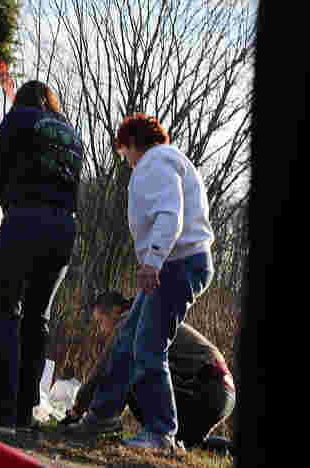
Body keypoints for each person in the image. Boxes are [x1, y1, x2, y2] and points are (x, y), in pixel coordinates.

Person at [65, 113, 216, 453]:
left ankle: (162, 432)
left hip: (177, 264)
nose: (127, 163)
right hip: (179, 261)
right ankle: (102, 415)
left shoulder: (155, 161)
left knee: (148, 345)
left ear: (132, 144)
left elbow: (169, 213)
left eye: (124, 154)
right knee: (127, 340)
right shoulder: (169, 161)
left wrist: (152, 260)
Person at [0, 80, 83, 434]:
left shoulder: (19, 119)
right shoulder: (71, 135)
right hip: (63, 230)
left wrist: (11, 206)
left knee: (5, 313)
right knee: (37, 319)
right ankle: (22, 412)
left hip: (23, 220)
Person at [62, 291, 235, 455]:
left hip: (204, 386)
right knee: (182, 441)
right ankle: (231, 449)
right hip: (222, 393)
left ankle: (106, 423)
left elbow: (103, 371)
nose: (101, 330)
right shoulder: (147, 315)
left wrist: (77, 410)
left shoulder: (129, 321)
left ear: (115, 311)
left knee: (126, 372)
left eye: (100, 321)